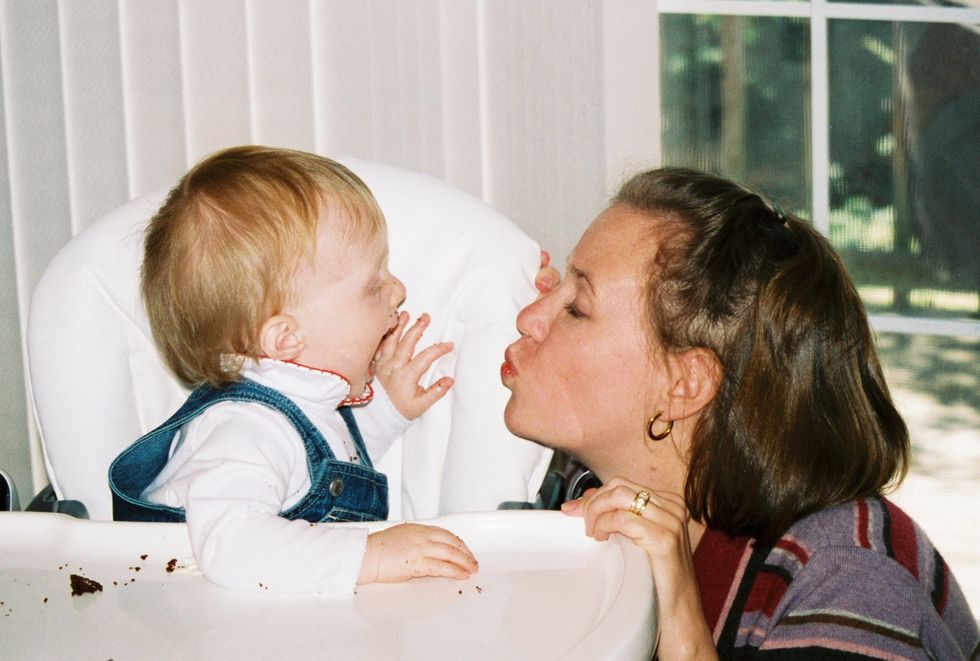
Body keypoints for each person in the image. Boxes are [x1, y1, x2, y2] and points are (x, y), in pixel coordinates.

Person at [502, 167, 978, 659]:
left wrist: (682, 630)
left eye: (576, 308)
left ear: (685, 384)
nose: (527, 318)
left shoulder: (850, 578)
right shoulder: (579, 491)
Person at [109, 146, 478, 594]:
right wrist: (371, 556)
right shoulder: (244, 430)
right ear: (286, 338)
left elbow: (321, 467)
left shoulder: (299, 409)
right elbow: (233, 546)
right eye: (373, 285)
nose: (398, 290)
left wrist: (386, 410)